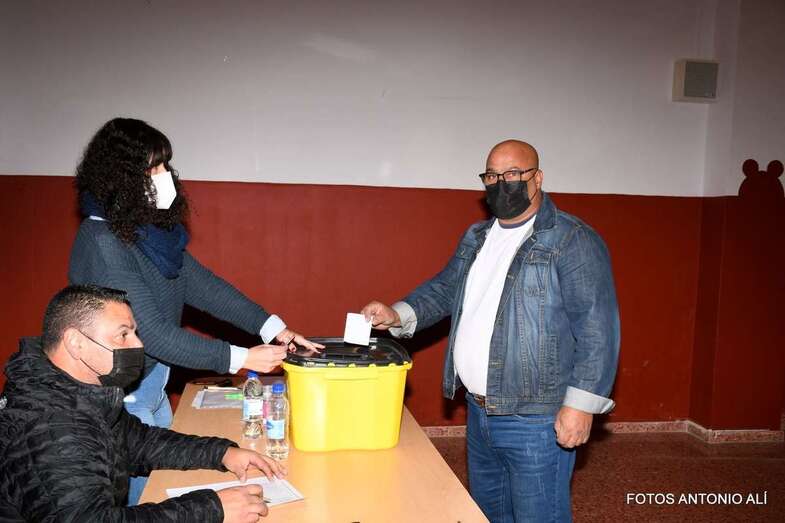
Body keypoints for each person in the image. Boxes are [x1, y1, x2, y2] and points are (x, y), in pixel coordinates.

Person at [362, 140, 620, 522]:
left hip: (536, 418)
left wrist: (581, 406)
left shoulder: (571, 239)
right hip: (480, 412)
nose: (502, 183)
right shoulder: (477, 237)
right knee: (488, 515)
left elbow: (597, 327)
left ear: (537, 178)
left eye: (513, 173)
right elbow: (446, 288)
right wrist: (397, 314)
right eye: (492, 176)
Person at [68, 117, 322, 504]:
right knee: (147, 501)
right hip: (122, 397)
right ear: (120, 177)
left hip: (150, 383)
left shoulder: (147, 233)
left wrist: (274, 328)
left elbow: (207, 288)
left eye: (164, 165)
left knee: (163, 490)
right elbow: (153, 334)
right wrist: (242, 358)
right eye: (152, 169)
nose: (164, 176)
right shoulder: (104, 242)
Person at [0, 285, 286, 522]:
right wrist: (212, 509)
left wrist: (221, 452)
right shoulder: (50, 427)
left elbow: (139, 442)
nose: (138, 345)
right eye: (123, 334)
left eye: (135, 332)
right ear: (76, 343)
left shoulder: (77, 392)